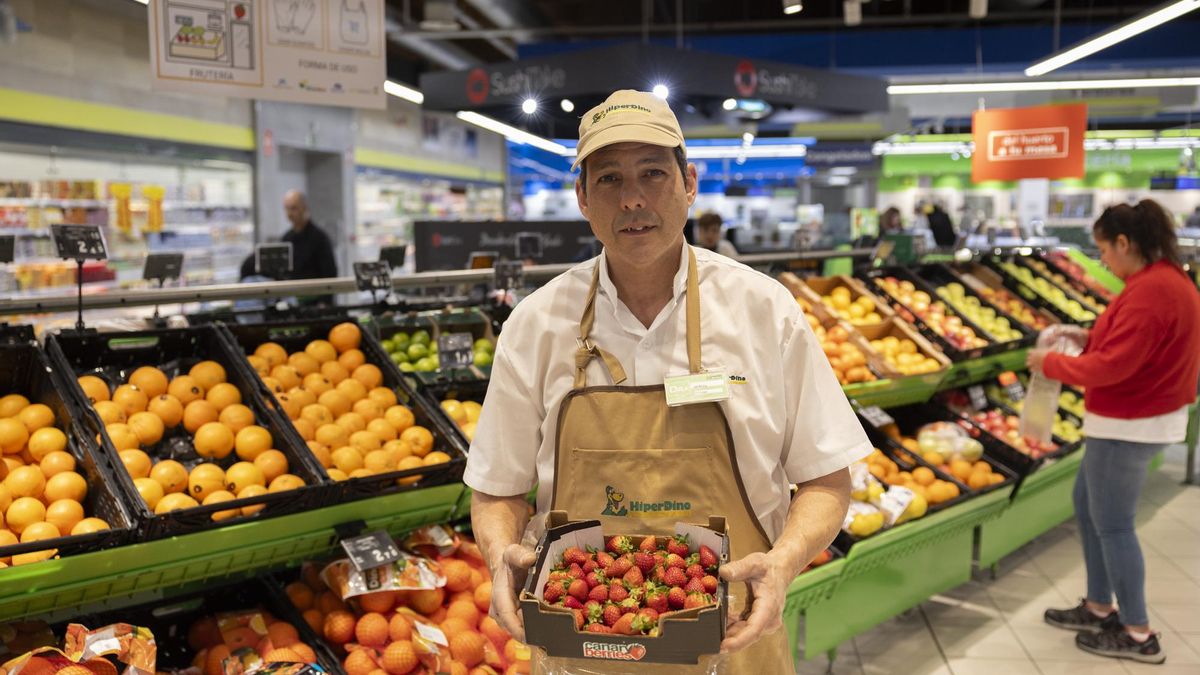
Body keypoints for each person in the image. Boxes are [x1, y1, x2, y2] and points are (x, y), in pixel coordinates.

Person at [464, 90, 870, 673]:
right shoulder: (535, 324)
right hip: (581, 646)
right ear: (581, 197)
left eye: (653, 172)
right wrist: (501, 557)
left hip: (734, 641)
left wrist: (783, 563)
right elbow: (497, 489)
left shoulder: (764, 311)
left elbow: (827, 478)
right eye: (608, 179)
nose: (632, 199)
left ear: (690, 182)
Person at [1027, 199, 1200, 666]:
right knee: (1088, 506)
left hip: (1131, 422)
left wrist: (1053, 363)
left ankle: (1138, 631)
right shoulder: (1159, 282)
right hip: (1129, 419)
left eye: (1104, 249)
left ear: (1125, 242)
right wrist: (1088, 338)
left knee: (1115, 525)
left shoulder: (1154, 291)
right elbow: (1131, 344)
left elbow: (1116, 366)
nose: (1102, 259)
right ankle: (1100, 603)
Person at [281, 190, 338, 280]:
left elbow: (330, 275)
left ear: (304, 208)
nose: (289, 214)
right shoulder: (286, 239)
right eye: (287, 208)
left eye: (293, 208)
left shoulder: (319, 239)